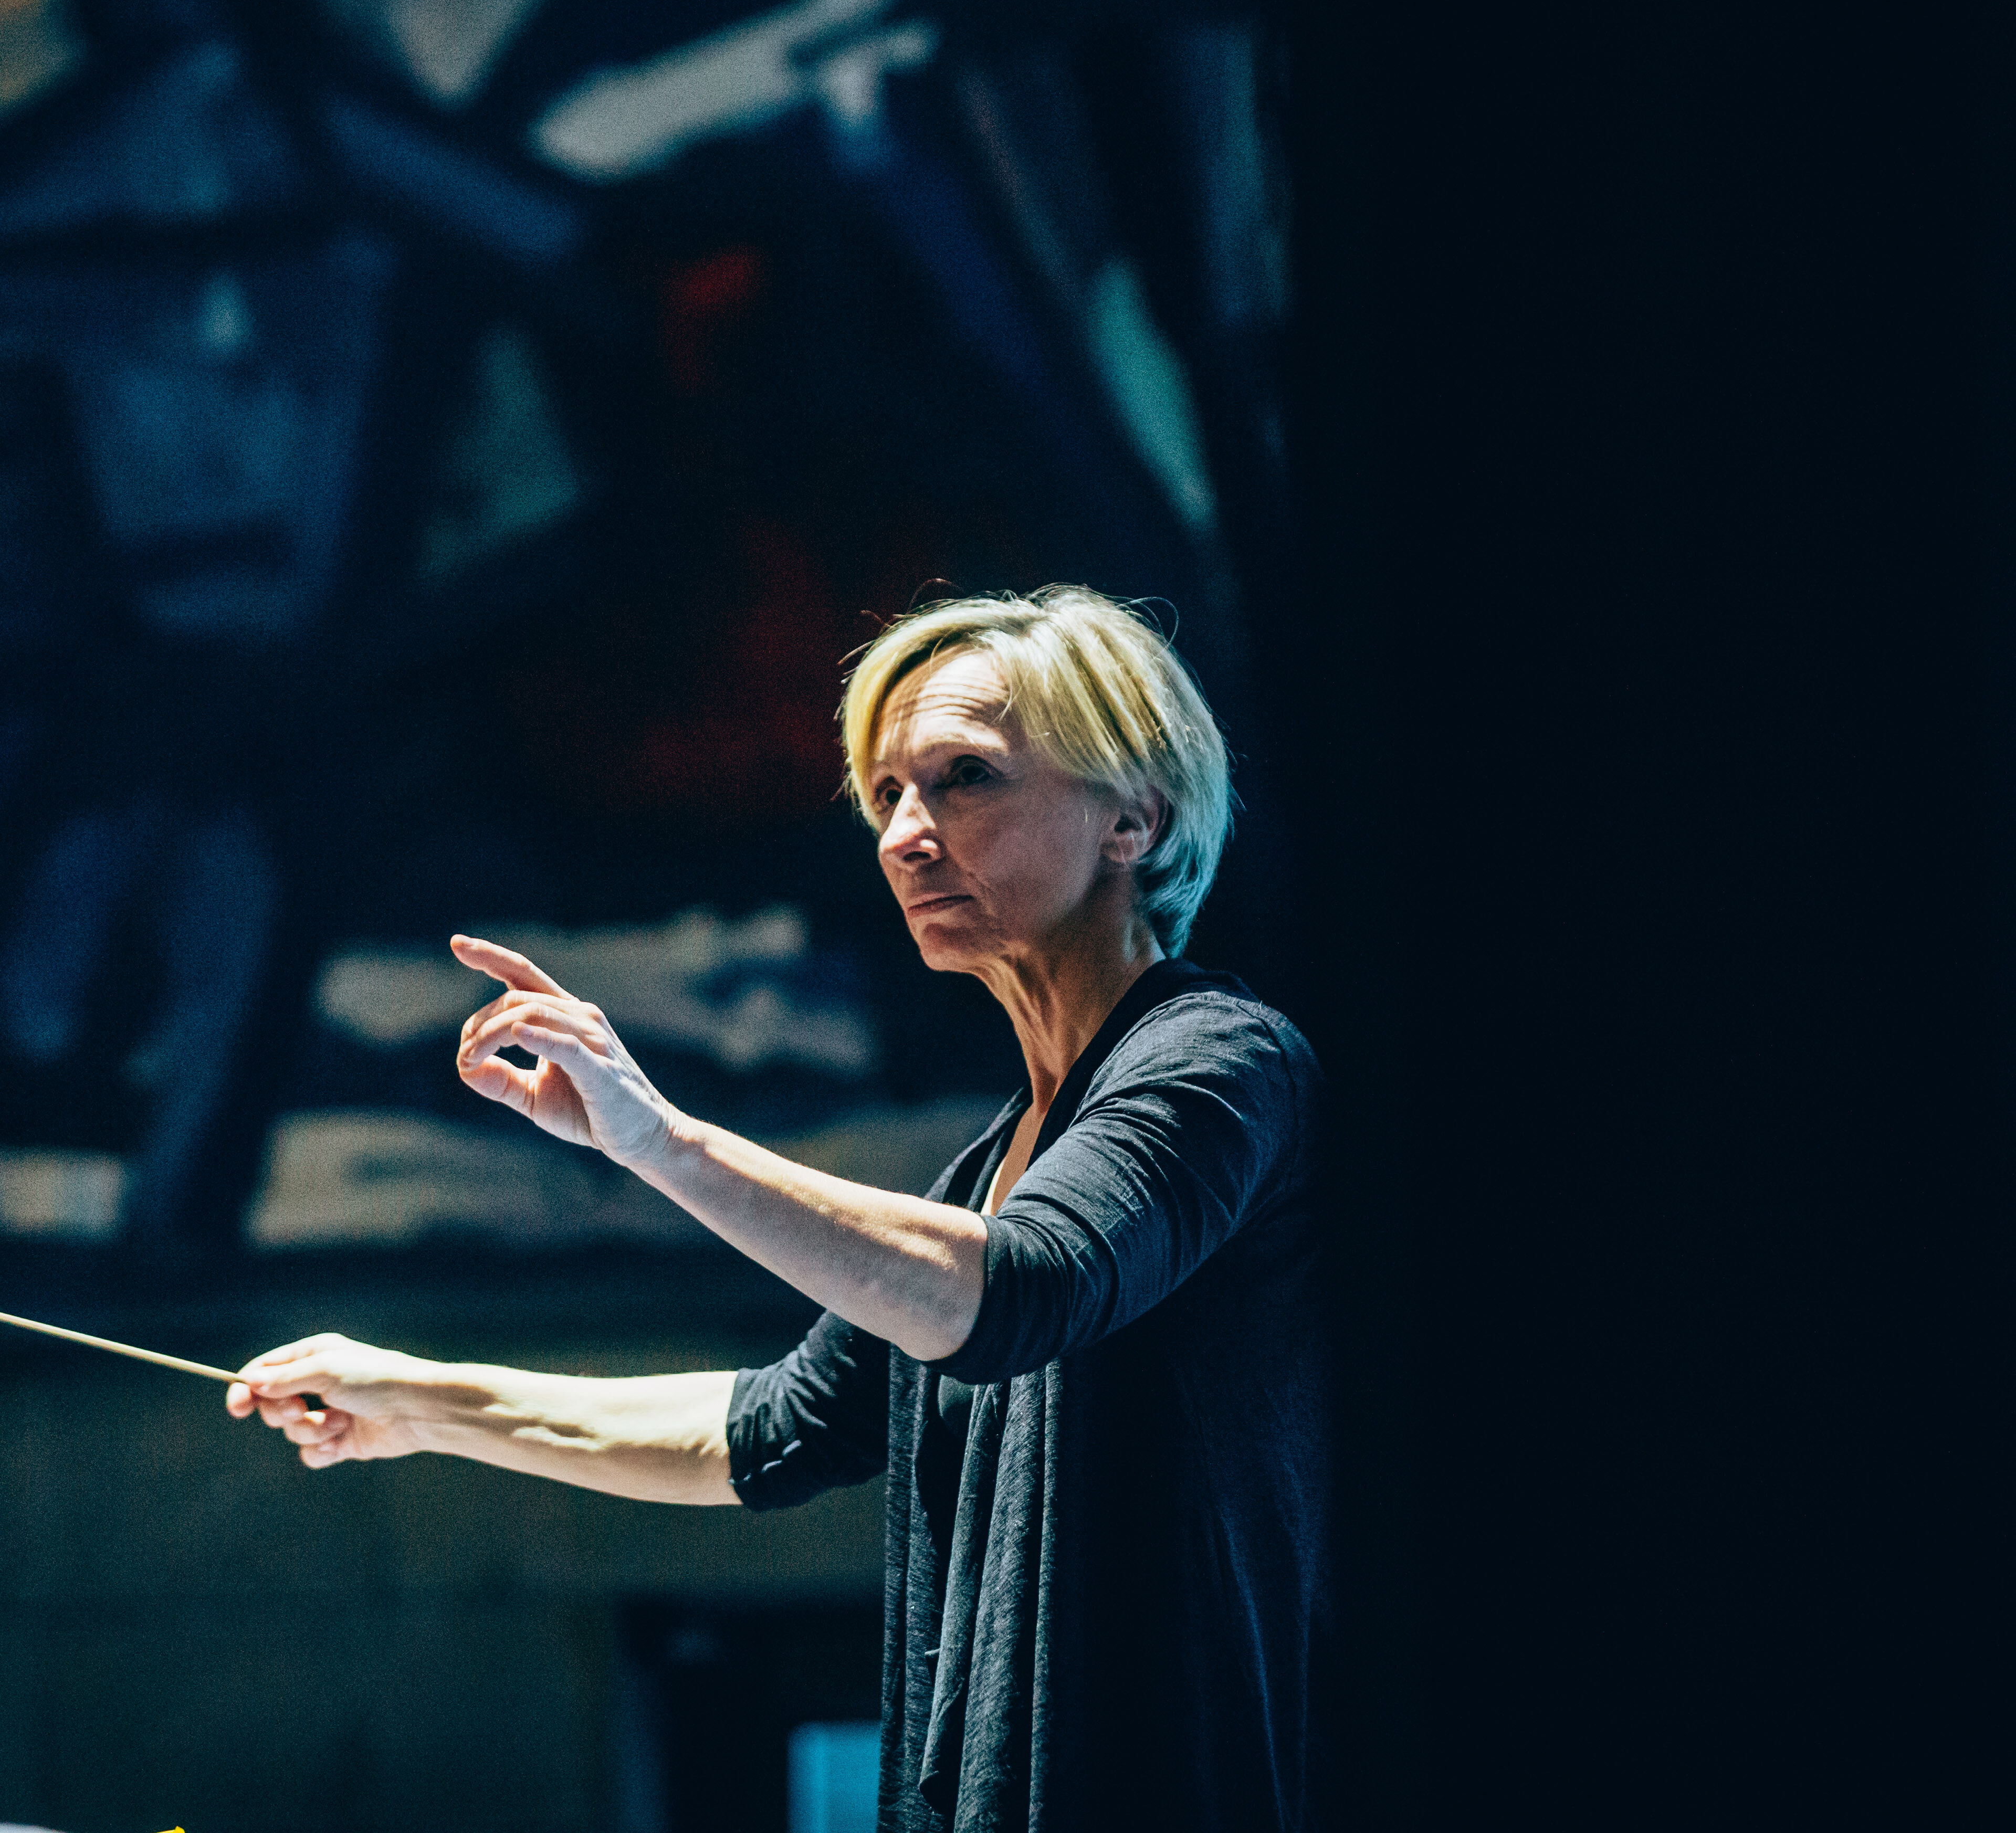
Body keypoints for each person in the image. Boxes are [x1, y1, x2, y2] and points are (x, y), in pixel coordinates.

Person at [228, 585, 1331, 1830]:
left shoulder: (1222, 1061)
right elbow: (771, 1429)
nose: (908, 834)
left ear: (1135, 816)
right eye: (887, 796)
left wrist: (663, 1140)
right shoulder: (981, 1173)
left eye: (964, 779)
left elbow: (1024, 1290)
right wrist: (420, 1400)